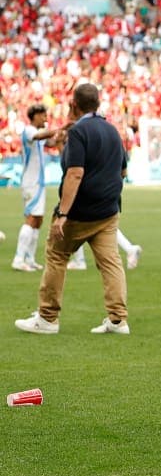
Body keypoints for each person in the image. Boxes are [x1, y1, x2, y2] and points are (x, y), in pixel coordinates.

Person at [15, 83, 131, 335]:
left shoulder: (79, 131)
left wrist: (63, 213)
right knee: (111, 262)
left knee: (56, 256)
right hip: (108, 211)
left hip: (80, 212)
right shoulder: (112, 130)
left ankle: (47, 318)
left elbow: (74, 173)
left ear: (74, 104)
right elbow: (123, 170)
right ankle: (118, 320)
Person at [11, 105, 58, 272]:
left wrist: (63, 136)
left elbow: (50, 142)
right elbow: (41, 136)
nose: (45, 118)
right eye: (43, 115)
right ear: (35, 116)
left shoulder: (37, 132)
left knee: (38, 220)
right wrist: (60, 129)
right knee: (31, 219)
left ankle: (29, 259)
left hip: (38, 182)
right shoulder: (29, 131)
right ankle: (18, 259)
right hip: (31, 182)